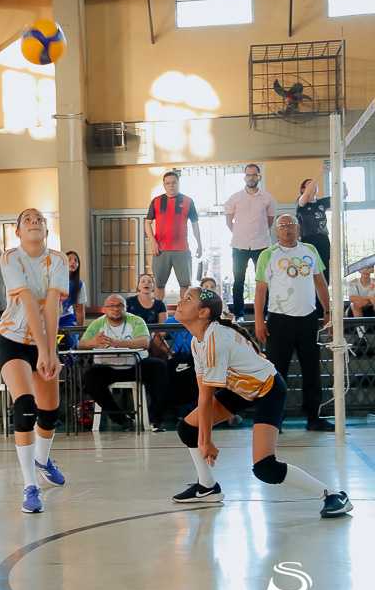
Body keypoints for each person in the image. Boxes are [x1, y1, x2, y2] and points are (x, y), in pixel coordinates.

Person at [170, 287, 352, 518]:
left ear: (203, 312)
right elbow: (203, 394)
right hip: (240, 389)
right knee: (188, 428)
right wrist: (203, 440)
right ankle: (207, 488)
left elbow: (207, 397)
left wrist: (206, 441)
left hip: (269, 389)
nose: (181, 301)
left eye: (188, 299)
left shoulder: (216, 338)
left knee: (265, 468)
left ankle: (333, 495)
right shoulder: (198, 342)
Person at [0, 208, 69, 514]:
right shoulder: (10, 258)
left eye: (39, 219)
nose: (34, 222)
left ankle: (42, 459)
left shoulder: (58, 260)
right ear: (18, 231)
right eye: (27, 219)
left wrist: (50, 352)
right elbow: (27, 301)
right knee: (25, 407)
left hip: (43, 341)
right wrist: (42, 351)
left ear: (46, 230)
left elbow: (51, 305)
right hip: (13, 340)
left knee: (50, 412)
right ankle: (30, 486)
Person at [254, 214, 334, 432]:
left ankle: (314, 417)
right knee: (276, 372)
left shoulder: (310, 250)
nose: (287, 229)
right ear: (276, 230)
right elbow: (260, 290)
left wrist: (328, 311)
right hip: (279, 320)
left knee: (312, 370)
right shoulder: (267, 255)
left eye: (291, 225)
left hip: (308, 319)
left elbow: (320, 282)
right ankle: (274, 420)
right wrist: (259, 320)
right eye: (282, 226)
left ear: (298, 228)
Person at [79, 294, 169, 432]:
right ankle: (121, 419)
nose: (115, 309)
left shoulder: (136, 321)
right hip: (107, 368)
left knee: (159, 367)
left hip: (135, 366)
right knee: (90, 377)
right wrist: (93, 342)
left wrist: (117, 343)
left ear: (125, 308)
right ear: (105, 309)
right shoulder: (97, 323)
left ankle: (156, 419)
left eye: (119, 306)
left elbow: (145, 342)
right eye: (111, 306)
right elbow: (81, 344)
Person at [224, 164, 275, 322]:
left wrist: (258, 233)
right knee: (238, 281)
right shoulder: (235, 197)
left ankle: (266, 314)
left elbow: (270, 221)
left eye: (254, 175)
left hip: (262, 245)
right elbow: (229, 221)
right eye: (248, 175)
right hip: (239, 246)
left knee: (264, 281)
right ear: (244, 177)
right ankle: (239, 314)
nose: (251, 177)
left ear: (259, 176)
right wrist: (240, 233)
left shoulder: (267, 197)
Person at [145, 170, 202, 300]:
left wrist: (199, 244)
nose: (171, 185)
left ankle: (184, 311)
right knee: (159, 285)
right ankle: (158, 311)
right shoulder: (156, 201)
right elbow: (147, 223)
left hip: (182, 250)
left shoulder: (188, 201)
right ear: (164, 185)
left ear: (178, 183)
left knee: (185, 285)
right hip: (161, 250)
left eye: (174, 183)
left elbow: (195, 224)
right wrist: (153, 242)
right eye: (168, 183)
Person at [296, 179, 332, 284]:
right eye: (309, 185)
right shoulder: (301, 203)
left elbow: (340, 196)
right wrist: (315, 179)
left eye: (315, 185)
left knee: (324, 267)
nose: (313, 186)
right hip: (308, 240)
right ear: (303, 189)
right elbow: (305, 198)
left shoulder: (322, 202)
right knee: (309, 266)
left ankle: (324, 290)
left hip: (323, 239)